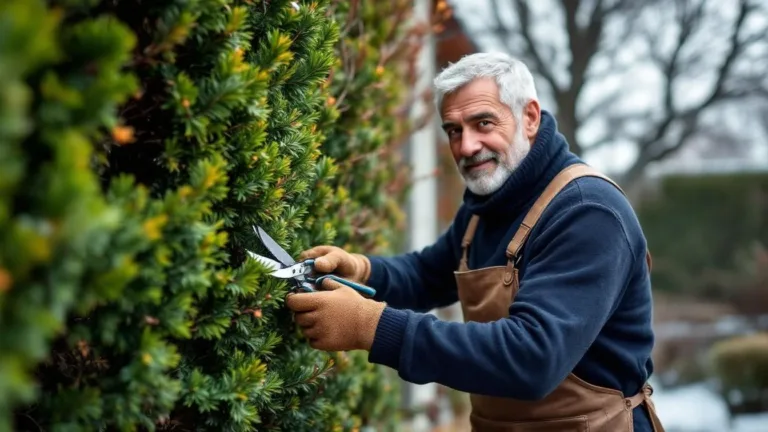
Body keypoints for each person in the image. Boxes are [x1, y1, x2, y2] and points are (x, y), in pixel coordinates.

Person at [285, 52, 665, 432]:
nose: (467, 146)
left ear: (529, 118)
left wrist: (372, 327)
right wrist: (362, 270)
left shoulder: (587, 213)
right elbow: (427, 274)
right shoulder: (488, 204)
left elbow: (532, 358)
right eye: (453, 130)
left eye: (483, 123)